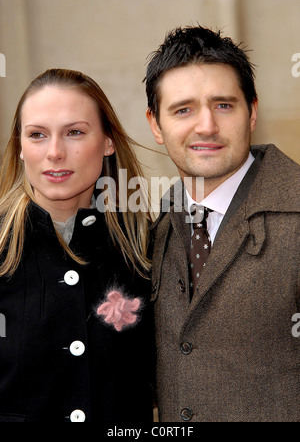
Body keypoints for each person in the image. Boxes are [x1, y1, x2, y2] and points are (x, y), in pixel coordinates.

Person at [145, 26, 300, 422]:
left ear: (252, 112)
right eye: (183, 109)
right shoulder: (153, 230)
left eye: (224, 105)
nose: (206, 127)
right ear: (156, 125)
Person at [0, 68, 154, 422]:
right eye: (37, 134)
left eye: (74, 133)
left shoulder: (147, 248)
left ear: (107, 141)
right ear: (21, 147)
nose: (54, 152)